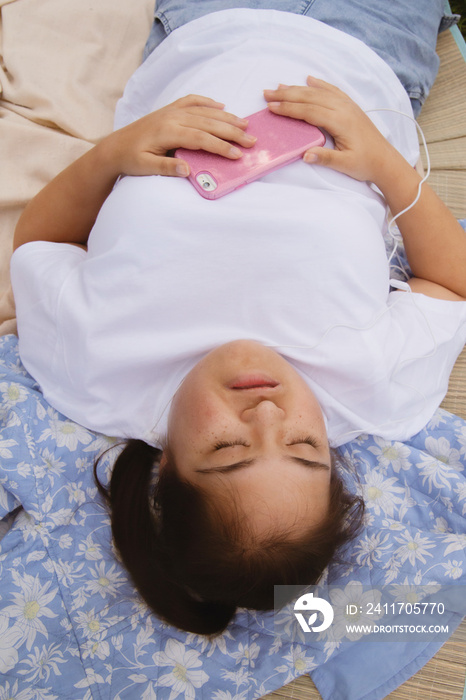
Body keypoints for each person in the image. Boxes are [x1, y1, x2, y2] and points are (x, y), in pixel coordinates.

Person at [10, 1, 466, 635]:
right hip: (365, 49)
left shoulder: (92, 371)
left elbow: (38, 242)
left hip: (205, 32)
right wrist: (386, 165)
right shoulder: (373, 388)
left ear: (166, 469)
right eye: (306, 448)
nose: (270, 414)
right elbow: (452, 283)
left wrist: (113, 155)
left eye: (228, 448)